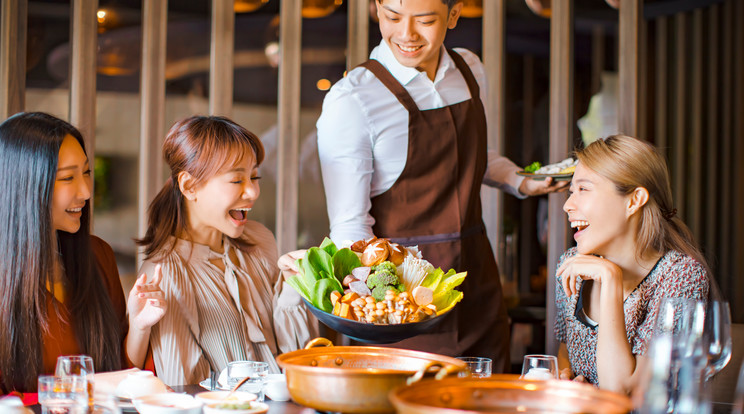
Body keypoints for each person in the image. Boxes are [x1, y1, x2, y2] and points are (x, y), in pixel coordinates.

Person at [314, 0, 565, 370]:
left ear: (453, 14)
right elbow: (350, 227)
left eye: (425, 20)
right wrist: (382, 305)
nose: (406, 34)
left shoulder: (469, 69)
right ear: (376, 10)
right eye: (392, 17)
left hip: (476, 283)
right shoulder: (353, 100)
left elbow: (475, 156)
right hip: (402, 303)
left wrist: (519, 180)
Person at [137, 115, 316, 386]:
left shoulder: (260, 241)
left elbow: (300, 359)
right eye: (236, 180)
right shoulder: (165, 273)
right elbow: (186, 390)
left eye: (254, 176)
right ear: (189, 186)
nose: (253, 192)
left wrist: (295, 287)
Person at [0, 112, 166, 393]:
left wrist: (139, 326)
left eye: (86, 172)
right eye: (67, 178)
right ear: (25, 186)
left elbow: (121, 376)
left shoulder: (97, 255)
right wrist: (86, 386)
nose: (86, 191)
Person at [555, 134, 709, 394]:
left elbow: (625, 392)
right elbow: (564, 354)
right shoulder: (572, 264)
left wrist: (611, 278)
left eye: (583, 189)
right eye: (571, 192)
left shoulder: (681, 275)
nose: (568, 206)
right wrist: (565, 381)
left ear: (634, 200)